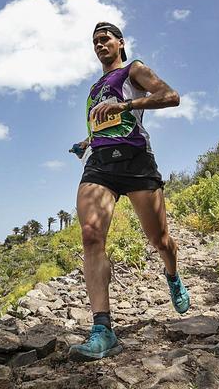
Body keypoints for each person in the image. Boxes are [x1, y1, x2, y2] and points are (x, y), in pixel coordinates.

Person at [67, 22, 190, 362]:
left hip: (136, 162)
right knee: (91, 235)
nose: (98, 44)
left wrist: (126, 107)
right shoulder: (94, 89)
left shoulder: (133, 70)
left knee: (160, 240)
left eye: (104, 38)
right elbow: (102, 126)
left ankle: (172, 274)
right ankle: (103, 329)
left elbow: (171, 96)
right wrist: (87, 141)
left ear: (119, 43)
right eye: (94, 41)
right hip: (100, 165)